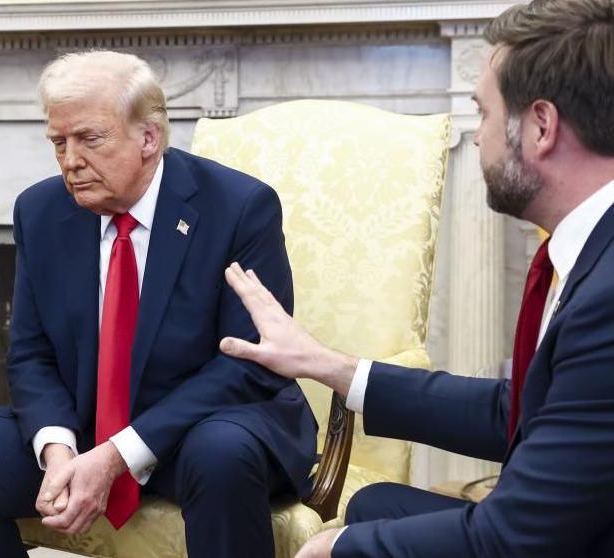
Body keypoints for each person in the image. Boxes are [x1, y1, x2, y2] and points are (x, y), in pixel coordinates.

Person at [220, 1, 614, 556]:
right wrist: (327, 365)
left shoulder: (605, 299)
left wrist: (334, 552)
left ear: (541, 126)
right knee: (374, 504)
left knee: (351, 538)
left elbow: (514, 539)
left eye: (485, 113)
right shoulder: (590, 251)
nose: (478, 138)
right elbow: (519, 413)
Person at [0, 50, 317, 558]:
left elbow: (251, 363)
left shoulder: (239, 208)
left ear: (149, 138)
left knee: (221, 455)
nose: (70, 161)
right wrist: (59, 451)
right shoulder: (41, 211)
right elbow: (30, 353)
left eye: (89, 138)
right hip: (89, 423)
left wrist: (117, 455)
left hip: (205, 423)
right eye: (58, 142)